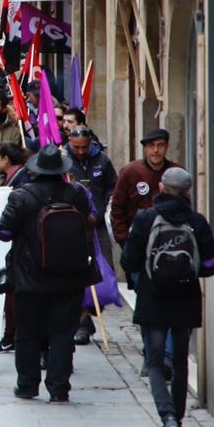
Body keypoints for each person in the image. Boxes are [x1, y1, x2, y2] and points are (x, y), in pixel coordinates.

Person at [120, 168, 214, 427]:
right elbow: (209, 267)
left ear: (160, 187)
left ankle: (167, 418)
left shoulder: (146, 219)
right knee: (180, 361)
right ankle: (178, 418)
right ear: (187, 192)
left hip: (153, 298)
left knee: (154, 360)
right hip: (185, 298)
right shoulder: (197, 222)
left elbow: (129, 262)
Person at [0, 145, 99, 403]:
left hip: (30, 277)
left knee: (28, 332)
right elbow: (87, 222)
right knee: (62, 333)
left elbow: (2, 232)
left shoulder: (21, 197)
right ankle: (59, 387)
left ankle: (28, 385)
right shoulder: (76, 194)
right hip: (70, 276)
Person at [65, 126, 117, 345]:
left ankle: (92, 310)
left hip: (98, 225)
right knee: (75, 271)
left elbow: (112, 188)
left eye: (84, 147)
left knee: (102, 269)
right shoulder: (63, 160)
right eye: (76, 147)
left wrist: (104, 209)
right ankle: (82, 320)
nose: (80, 152)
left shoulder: (102, 162)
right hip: (73, 226)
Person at [110, 128, 180, 248]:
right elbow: (117, 207)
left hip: (169, 240)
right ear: (145, 149)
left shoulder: (175, 172)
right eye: (151, 146)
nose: (156, 150)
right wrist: (123, 239)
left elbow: (184, 205)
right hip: (137, 239)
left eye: (160, 145)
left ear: (167, 147)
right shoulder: (130, 172)